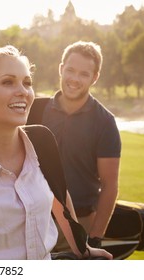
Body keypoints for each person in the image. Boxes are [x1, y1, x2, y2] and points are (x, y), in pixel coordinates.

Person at [0, 45, 112, 260]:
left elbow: (59, 197)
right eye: (8, 82)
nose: (23, 91)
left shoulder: (43, 143)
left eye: (27, 83)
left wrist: (83, 249)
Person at [27, 41, 121, 250]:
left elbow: (109, 184)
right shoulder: (34, 110)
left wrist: (95, 237)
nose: (74, 79)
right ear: (61, 69)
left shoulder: (104, 122)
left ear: (94, 77)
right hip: (30, 217)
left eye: (84, 74)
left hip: (78, 222)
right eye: (70, 70)